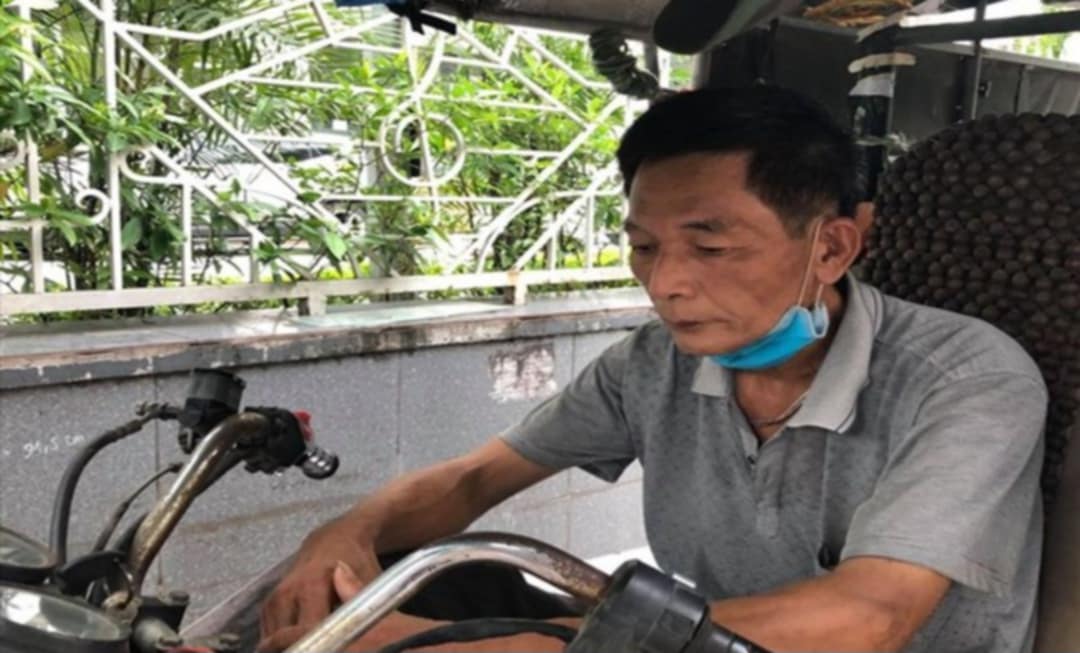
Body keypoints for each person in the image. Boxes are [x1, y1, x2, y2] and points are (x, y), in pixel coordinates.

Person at [257, 86, 1047, 653]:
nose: (664, 282)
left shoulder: (968, 379)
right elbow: (472, 479)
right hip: (706, 641)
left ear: (832, 247)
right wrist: (344, 531)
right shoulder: (652, 364)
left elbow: (866, 620)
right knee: (409, 580)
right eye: (644, 246)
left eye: (710, 246)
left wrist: (469, 647)